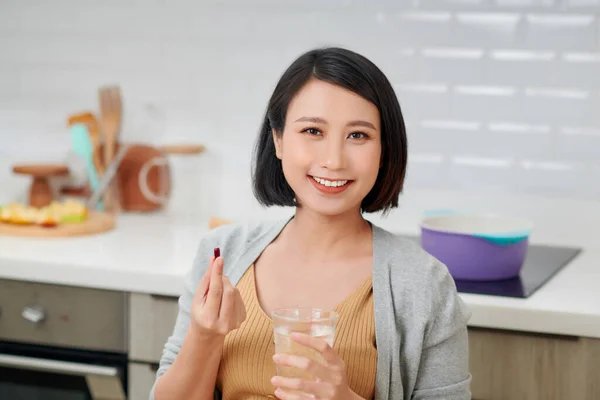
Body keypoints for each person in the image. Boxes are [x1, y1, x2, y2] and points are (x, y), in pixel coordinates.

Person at [150, 47, 472, 400]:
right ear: (278, 139)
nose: (333, 160)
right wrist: (205, 336)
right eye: (313, 131)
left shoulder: (425, 285)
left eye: (358, 135)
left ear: (384, 151)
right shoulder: (224, 254)